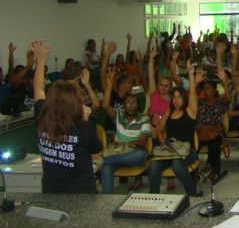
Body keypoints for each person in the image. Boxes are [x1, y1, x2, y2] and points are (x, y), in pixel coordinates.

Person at [30, 39, 102, 194]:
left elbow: (38, 89)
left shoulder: (42, 120)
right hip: (82, 195)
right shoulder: (83, 127)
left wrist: (40, 60)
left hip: (51, 192)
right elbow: (96, 156)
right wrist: (85, 120)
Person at [148, 63, 204, 197]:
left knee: (177, 165)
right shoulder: (169, 112)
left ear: (184, 99)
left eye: (179, 97)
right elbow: (160, 131)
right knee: (154, 166)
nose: (176, 100)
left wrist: (191, 75)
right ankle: (153, 196)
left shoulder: (190, 111)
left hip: (187, 150)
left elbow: (193, 93)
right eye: (174, 97)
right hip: (170, 149)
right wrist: (164, 143)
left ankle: (191, 194)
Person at [100, 68, 150, 194]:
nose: (131, 107)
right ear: (123, 106)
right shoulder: (119, 115)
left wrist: (123, 144)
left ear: (138, 106)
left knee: (139, 155)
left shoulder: (144, 119)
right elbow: (105, 106)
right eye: (128, 104)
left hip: (132, 153)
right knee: (107, 168)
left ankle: (99, 161)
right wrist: (110, 86)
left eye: (134, 104)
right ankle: (107, 199)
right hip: (117, 154)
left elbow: (141, 142)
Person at [197, 72, 228, 183]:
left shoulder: (219, 103)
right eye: (204, 89)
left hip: (216, 132)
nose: (206, 91)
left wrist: (223, 81)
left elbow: (228, 98)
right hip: (201, 132)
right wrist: (197, 82)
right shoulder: (200, 102)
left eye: (208, 88)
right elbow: (194, 94)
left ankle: (215, 171)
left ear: (214, 90)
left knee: (213, 146)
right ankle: (194, 171)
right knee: (192, 147)